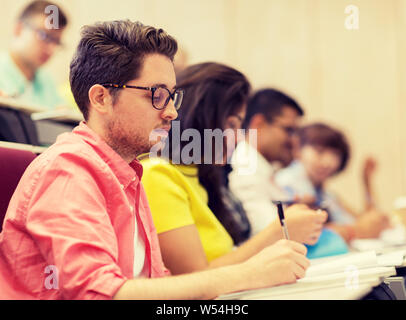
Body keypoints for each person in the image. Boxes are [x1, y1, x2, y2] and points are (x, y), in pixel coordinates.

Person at [0, 20, 310, 300]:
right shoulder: (67, 170)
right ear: (101, 98)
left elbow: (155, 283)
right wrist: (249, 274)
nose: (172, 112)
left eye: (173, 96)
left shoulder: (129, 172)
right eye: (156, 94)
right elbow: (98, 293)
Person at [140, 64, 326, 275]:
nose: (238, 138)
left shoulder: (200, 177)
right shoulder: (157, 174)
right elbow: (194, 279)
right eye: (231, 125)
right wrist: (278, 232)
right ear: (200, 119)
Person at [229, 89, 327, 238]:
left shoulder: (262, 168)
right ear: (259, 124)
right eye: (289, 130)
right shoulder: (244, 168)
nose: (294, 141)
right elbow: (271, 234)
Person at [275, 123, 391, 242]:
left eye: (335, 154)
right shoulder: (288, 182)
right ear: (298, 149)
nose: (327, 162)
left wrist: (366, 181)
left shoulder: (326, 194)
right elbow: (305, 233)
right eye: (319, 152)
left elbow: (363, 222)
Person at [0, 0, 68, 109]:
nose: (51, 49)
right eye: (45, 36)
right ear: (19, 29)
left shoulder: (46, 82)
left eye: (56, 42)